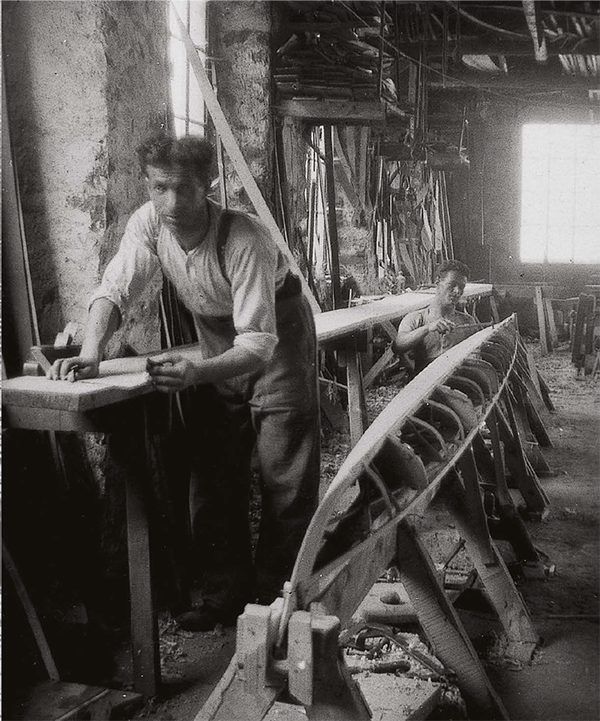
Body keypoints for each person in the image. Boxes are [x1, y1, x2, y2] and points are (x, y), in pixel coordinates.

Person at [49, 134, 321, 631]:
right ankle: (223, 596)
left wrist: (198, 372)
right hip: (219, 337)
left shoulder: (245, 239)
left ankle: (275, 605)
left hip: (277, 339)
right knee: (214, 477)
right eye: (159, 188)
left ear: (209, 184)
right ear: (148, 186)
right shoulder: (149, 224)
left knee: (285, 476)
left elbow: (258, 342)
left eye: (184, 189)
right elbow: (114, 289)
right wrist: (91, 352)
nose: (171, 202)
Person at [392, 259, 476, 374]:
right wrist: (427, 328)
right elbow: (397, 346)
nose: (457, 291)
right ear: (437, 282)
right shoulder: (416, 319)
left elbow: (476, 358)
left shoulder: (467, 322)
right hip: (424, 385)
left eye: (462, 287)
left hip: (457, 383)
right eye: (452, 285)